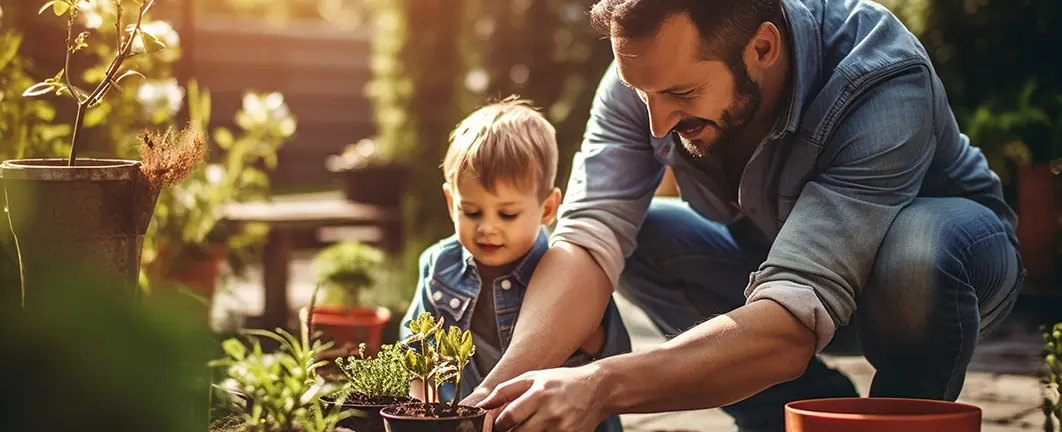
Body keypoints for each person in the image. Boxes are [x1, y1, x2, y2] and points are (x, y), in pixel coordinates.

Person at [465, 0, 1027, 431]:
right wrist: (496, 394)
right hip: (781, 264)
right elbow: (587, 241)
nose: (657, 124)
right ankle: (783, 413)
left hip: (942, 272)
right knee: (639, 238)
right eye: (644, 95)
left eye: (680, 93)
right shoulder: (647, 79)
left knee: (914, 251)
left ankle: (890, 421)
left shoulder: (880, 77)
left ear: (762, 48)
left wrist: (598, 385)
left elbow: (791, 318)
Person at [399, 97, 632, 431]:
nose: (488, 227)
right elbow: (417, 349)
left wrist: (588, 333)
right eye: (472, 211)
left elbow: (615, 355)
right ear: (452, 202)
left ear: (548, 209)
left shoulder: (565, 270)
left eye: (507, 214)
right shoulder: (440, 265)